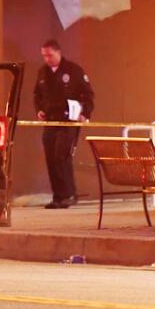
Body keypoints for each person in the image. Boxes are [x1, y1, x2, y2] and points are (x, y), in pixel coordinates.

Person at [34, 39, 94, 209]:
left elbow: (88, 94)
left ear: (58, 53)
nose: (47, 59)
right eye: (44, 56)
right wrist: (39, 109)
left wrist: (85, 113)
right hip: (51, 121)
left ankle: (69, 194)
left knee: (62, 155)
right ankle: (58, 196)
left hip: (68, 121)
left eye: (50, 55)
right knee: (51, 158)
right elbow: (37, 95)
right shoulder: (42, 73)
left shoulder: (73, 71)